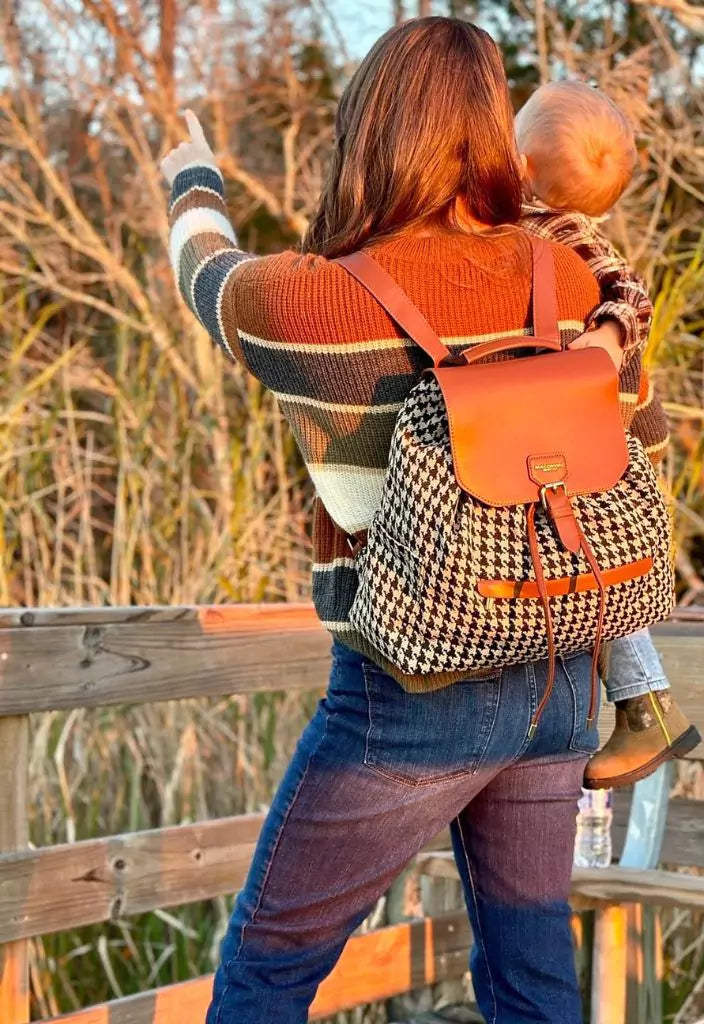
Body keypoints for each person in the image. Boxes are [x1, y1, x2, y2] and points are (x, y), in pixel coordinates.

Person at [159, 17, 660, 1024]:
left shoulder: (312, 301)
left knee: (267, 963)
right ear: (490, 129)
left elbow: (203, 275)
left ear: (371, 129)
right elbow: (639, 426)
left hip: (415, 688)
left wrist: (189, 173)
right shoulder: (556, 275)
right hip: (557, 663)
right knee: (530, 978)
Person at [516, 81, 701, 789]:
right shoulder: (551, 231)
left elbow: (632, 292)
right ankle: (644, 708)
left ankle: (647, 710)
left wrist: (608, 334)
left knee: (602, 585)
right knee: (601, 580)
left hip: (589, 442)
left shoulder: (557, 234)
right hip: (599, 436)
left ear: (525, 168)